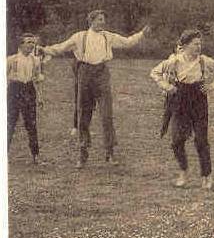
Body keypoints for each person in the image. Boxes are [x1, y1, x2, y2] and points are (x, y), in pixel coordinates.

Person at [42, 10, 150, 168]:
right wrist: (44, 49)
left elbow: (127, 42)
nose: (102, 22)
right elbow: (61, 48)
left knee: (107, 115)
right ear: (91, 21)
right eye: (99, 20)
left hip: (102, 74)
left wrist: (141, 34)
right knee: (83, 115)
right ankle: (83, 153)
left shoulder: (108, 36)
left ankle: (110, 153)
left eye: (103, 20)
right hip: (85, 73)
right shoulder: (80, 37)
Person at [151, 29, 214, 190]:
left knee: (201, 140)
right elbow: (155, 72)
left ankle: (207, 176)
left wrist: (213, 85)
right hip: (180, 99)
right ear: (185, 46)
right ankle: (184, 171)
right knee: (176, 141)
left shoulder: (204, 61)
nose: (198, 47)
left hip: (199, 99)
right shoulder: (174, 61)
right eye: (195, 44)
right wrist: (167, 86)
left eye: (200, 44)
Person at [7, 33, 46, 165]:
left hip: (29, 90)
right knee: (10, 123)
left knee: (31, 124)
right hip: (14, 90)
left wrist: (40, 97)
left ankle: (35, 155)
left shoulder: (35, 60)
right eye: (28, 42)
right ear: (20, 44)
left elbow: (37, 79)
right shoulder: (11, 60)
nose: (31, 45)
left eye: (32, 42)